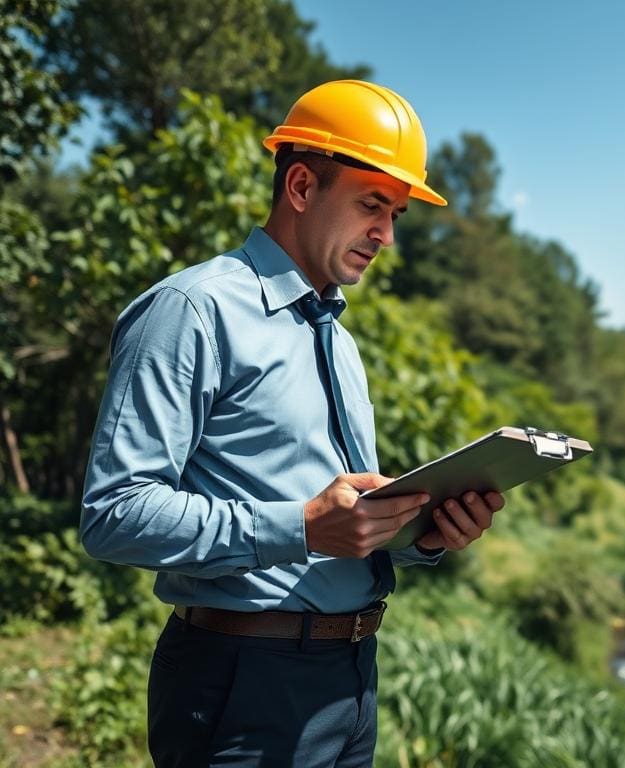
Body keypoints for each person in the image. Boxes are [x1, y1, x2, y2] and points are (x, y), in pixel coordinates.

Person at [80, 79, 504, 767]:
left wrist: (421, 533)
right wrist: (300, 527)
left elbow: (343, 524)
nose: (387, 236)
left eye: (396, 214)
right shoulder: (192, 310)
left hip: (351, 678)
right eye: (372, 205)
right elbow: (114, 514)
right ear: (302, 186)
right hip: (242, 679)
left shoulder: (340, 340)